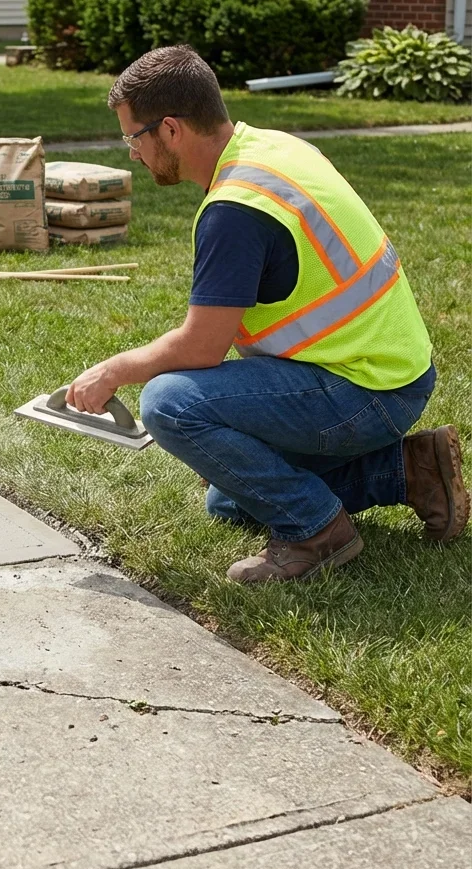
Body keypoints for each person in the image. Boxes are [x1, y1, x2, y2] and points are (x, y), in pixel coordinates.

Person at [67, 45, 467, 583]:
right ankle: (409, 472)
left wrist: (115, 369)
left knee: (168, 403)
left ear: (170, 129)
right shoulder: (270, 147)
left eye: (132, 137)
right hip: (390, 372)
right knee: (230, 500)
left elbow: (201, 348)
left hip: (366, 391)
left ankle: (318, 533)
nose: (132, 152)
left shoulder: (235, 210)